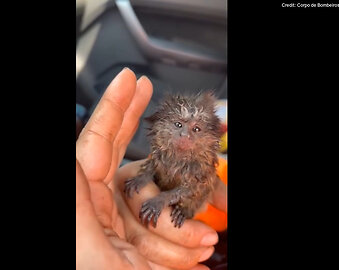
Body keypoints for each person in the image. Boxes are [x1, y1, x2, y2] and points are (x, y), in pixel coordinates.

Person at [76, 68, 227, 270]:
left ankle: (179, 212)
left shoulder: (202, 163)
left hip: (187, 202)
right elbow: (152, 166)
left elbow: (190, 190)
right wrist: (142, 178)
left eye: (196, 129)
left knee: (187, 205)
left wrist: (161, 200)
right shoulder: (161, 151)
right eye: (178, 124)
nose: (185, 135)